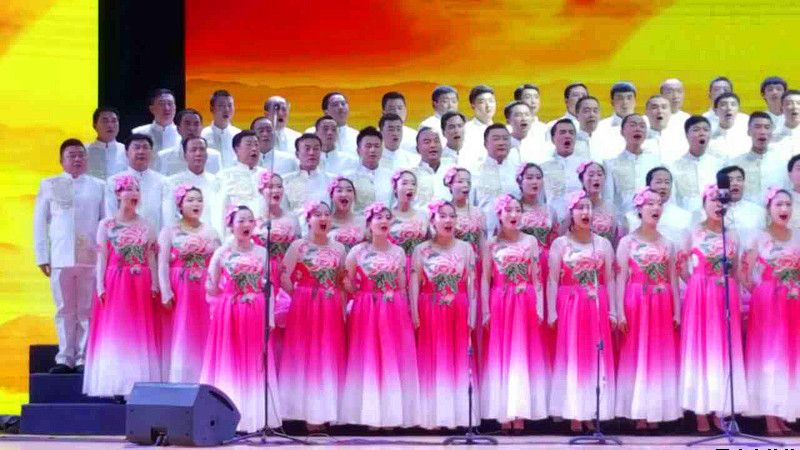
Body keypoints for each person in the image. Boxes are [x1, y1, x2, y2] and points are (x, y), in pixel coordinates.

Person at [200, 205, 280, 432]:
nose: (247, 225)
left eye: (250, 220)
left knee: (254, 362)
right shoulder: (222, 253)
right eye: (241, 220)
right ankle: (228, 416)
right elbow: (211, 287)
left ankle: (254, 417)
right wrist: (225, 296)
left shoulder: (262, 252)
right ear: (231, 225)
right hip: (230, 312)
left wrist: (270, 318)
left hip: (256, 311)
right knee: (230, 360)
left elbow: (269, 287)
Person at [340, 202, 419, 427]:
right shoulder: (357, 251)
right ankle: (370, 416)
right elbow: (346, 282)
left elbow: (402, 284)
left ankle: (392, 416)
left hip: (393, 308)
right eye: (378, 218)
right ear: (369, 224)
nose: (384, 221)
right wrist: (361, 297)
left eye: (387, 217)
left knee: (392, 358)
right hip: (366, 309)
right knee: (368, 358)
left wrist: (404, 307)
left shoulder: (399, 251)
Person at [678, 184, 748, 433]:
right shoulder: (692, 232)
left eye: (722, 200)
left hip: (726, 295)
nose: (718, 204)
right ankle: (700, 411)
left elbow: (736, 269)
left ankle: (721, 409)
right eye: (713, 200)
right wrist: (698, 284)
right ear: (704, 203)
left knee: (724, 349)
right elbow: (680, 267)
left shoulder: (733, 234)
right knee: (702, 349)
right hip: (700, 296)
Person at [83, 174, 160, 396]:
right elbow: (102, 258)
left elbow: (151, 257)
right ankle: (115, 383)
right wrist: (100, 285)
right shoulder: (106, 225)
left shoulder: (147, 225)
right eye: (129, 189)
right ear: (118, 194)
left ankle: (137, 383)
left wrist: (155, 283)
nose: (134, 194)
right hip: (116, 282)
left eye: (137, 190)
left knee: (137, 331)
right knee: (115, 330)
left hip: (141, 283)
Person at [547, 190, 617, 432]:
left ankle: (592, 411)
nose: (586, 212)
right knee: (574, 356)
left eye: (589, 207)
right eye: (580, 208)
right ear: (571, 213)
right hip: (571, 304)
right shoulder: (560, 244)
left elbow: (610, 279)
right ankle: (575, 412)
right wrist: (552, 311)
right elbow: (552, 280)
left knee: (595, 356)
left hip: (597, 304)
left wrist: (613, 310)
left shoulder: (603, 244)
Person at [33, 139, 105, 373]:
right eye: (71, 155)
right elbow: (39, 222)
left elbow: (105, 222)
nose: (77, 159)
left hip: (90, 257)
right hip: (60, 255)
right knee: (64, 309)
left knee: (86, 309)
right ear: (61, 160)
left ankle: (84, 357)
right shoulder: (49, 184)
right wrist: (42, 255)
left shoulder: (98, 185)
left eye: (81, 155)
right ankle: (65, 357)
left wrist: (106, 257)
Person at [614, 188, 682, 429]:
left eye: (659, 203)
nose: (655, 208)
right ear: (639, 209)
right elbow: (620, 278)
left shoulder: (668, 243)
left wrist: (677, 310)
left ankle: (656, 411)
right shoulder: (627, 242)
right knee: (637, 353)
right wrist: (619, 311)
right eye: (650, 203)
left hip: (662, 303)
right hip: (636, 301)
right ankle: (638, 412)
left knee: (658, 355)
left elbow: (673, 279)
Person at [480, 194, 548, 430]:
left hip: (525, 300)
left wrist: (539, 306)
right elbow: (485, 279)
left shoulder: (530, 241)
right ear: (499, 215)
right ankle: (504, 413)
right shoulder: (491, 244)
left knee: (522, 353)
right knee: (503, 354)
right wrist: (485, 310)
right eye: (508, 210)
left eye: (518, 210)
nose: (514, 214)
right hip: (501, 300)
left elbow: (537, 277)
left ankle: (520, 412)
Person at [279, 201, 347, 430]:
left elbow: (341, 280)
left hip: (330, 306)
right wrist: (299, 294)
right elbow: (284, 275)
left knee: (327, 355)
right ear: (308, 220)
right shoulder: (298, 246)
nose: (323, 218)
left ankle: (326, 412)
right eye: (318, 214)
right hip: (305, 306)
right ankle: (304, 413)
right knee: (305, 355)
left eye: (327, 214)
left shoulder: (339, 248)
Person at [411, 200, 478, 429]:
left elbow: (471, 283)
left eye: (452, 216)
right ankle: (432, 417)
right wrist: (415, 313)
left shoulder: (466, 248)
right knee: (433, 360)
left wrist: (472, 314)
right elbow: (414, 284)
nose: (449, 220)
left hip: (458, 307)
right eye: (443, 216)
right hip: (430, 307)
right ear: (433, 221)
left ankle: (458, 416)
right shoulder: (421, 250)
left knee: (457, 360)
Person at [742, 188, 800, 435]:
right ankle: (769, 417)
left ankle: (782, 412)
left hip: (793, 300)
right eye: (778, 204)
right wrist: (760, 291)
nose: (784, 209)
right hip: (768, 303)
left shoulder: (798, 237)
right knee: (770, 355)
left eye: (788, 204)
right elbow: (743, 272)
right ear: (769, 208)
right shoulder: (758, 237)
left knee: (789, 355)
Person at [157, 185, 220, 383]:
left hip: (204, 288)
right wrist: (165, 291)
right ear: (180, 205)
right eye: (190, 200)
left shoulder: (211, 231)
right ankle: (180, 377)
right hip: (180, 287)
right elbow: (162, 263)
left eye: (199, 200)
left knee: (203, 330)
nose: (196, 204)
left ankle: (204, 376)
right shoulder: (170, 231)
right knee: (182, 331)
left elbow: (219, 263)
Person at [251, 171, 300, 363]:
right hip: (262, 272)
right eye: (270, 187)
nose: (276, 190)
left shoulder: (292, 218)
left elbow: (298, 247)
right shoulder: (252, 218)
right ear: (260, 190)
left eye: (279, 186)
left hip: (286, 271)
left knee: (289, 319)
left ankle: (286, 364)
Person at [162, 136, 222, 235]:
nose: (198, 153)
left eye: (202, 149)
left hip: (212, 235)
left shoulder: (217, 181)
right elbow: (169, 216)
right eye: (193, 150)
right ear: (185, 155)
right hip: (183, 236)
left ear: (207, 154)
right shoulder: (172, 182)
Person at [106, 134, 167, 230]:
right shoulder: (113, 181)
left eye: (145, 148)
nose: (141, 151)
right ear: (126, 153)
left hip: (155, 235)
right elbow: (110, 213)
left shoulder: (163, 181)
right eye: (137, 147)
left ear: (152, 152)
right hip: (123, 236)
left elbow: (167, 216)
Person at [603, 113, 661, 213]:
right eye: (633, 125)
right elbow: (608, 199)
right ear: (622, 132)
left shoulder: (656, 163)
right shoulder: (610, 165)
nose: (638, 129)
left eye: (642, 126)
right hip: (622, 219)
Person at [670, 115, 724, 220]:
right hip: (685, 220)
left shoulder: (720, 165)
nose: (702, 133)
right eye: (696, 130)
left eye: (706, 130)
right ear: (686, 135)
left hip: (715, 220)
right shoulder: (675, 166)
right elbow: (672, 199)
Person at [623, 167, 692, 246]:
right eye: (659, 182)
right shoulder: (631, 218)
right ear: (648, 186)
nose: (663, 186)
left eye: (667, 182)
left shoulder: (685, 217)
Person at [540, 119, 589, 222]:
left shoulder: (587, 166)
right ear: (553, 139)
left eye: (571, 133)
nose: (567, 136)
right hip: (553, 222)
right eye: (562, 132)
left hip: (582, 221)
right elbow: (540, 200)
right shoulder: (543, 168)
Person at [473, 124, 520, 229]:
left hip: (515, 231)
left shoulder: (519, 171)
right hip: (485, 231)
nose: (501, 143)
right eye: (496, 139)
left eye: (505, 139)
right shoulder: (475, 172)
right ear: (485, 144)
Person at [217, 130, 267, 225]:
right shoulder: (224, 176)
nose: (254, 148)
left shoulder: (266, 174)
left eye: (256, 145)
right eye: (249, 144)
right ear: (236, 149)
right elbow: (219, 210)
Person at [283, 133, 334, 220]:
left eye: (316, 149)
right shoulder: (285, 181)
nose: (311, 153)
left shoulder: (332, 180)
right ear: (297, 154)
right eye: (307, 149)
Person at [388, 170, 429, 277]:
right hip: (394, 268)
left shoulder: (423, 215)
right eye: (404, 183)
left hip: (419, 267)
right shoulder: (386, 216)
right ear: (395, 187)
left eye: (413, 184)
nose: (410, 187)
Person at [157, 109, 222, 175]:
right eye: (187, 124)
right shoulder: (164, 157)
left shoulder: (214, 156)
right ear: (178, 129)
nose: (191, 128)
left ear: (201, 128)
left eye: (196, 124)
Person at [730, 112, 776, 202]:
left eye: (767, 127)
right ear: (749, 131)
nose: (762, 132)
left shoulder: (783, 163)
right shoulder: (735, 164)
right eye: (757, 127)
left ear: (772, 132)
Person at [718, 165, 766, 249]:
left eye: (739, 179)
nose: (735, 183)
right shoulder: (715, 211)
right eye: (730, 180)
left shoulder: (758, 211)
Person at [347, 126, 393, 212]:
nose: (372, 150)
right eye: (368, 146)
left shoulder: (391, 177)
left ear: (382, 150)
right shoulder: (349, 178)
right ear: (358, 150)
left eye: (377, 146)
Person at [593, 82, 640, 161]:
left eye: (629, 98)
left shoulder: (646, 125)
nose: (625, 102)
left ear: (635, 102)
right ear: (612, 102)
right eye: (620, 98)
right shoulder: (600, 127)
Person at [577, 161, 619, 246]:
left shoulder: (611, 207)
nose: (596, 178)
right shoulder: (575, 206)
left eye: (599, 175)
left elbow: (615, 238)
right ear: (582, 180)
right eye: (591, 175)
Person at [414, 127, 454, 208]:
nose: (433, 145)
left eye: (436, 141)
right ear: (417, 149)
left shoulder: (453, 172)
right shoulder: (412, 175)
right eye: (427, 142)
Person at [201, 90, 242, 168]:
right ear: (212, 109)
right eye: (221, 106)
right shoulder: (203, 135)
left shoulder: (239, 135)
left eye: (230, 105)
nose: (226, 109)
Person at [643, 95, 687, 165]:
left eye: (664, 107)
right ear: (646, 112)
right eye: (654, 108)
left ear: (670, 112)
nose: (660, 111)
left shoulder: (683, 138)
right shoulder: (639, 139)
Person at [131, 88, 179, 153]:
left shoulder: (183, 134)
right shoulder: (138, 133)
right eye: (161, 104)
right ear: (151, 109)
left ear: (175, 107)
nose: (166, 108)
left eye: (170, 103)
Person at [85, 107, 127, 179]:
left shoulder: (127, 151)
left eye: (114, 121)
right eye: (105, 121)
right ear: (94, 125)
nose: (110, 125)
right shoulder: (84, 151)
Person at [461, 85, 497, 166]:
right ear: (472, 105)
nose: (488, 106)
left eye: (491, 101)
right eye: (482, 102)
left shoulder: (502, 130)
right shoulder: (466, 131)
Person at [327, 176, 366, 251]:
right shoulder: (324, 222)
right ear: (331, 195)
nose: (344, 194)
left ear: (354, 195)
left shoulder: (363, 221)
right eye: (339, 190)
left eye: (349, 190)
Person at [708, 92, 750, 159]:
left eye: (733, 104)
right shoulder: (709, 136)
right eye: (723, 104)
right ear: (715, 111)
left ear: (738, 109)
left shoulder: (748, 132)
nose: (729, 108)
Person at [573, 96, 602, 161]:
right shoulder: (571, 142)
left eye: (595, 111)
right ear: (577, 115)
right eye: (586, 111)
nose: (592, 115)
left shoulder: (607, 141)